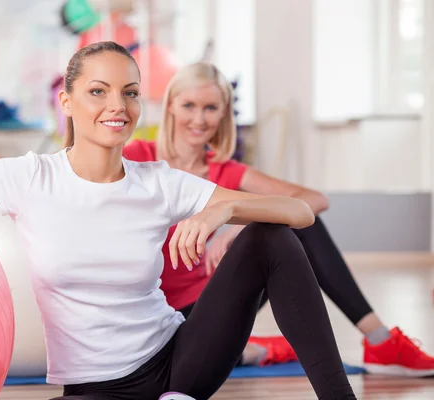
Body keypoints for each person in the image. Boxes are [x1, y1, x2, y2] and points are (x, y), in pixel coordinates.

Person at [0, 42, 356, 400]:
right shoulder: (28, 177)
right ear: (67, 102)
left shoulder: (158, 181)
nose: (118, 105)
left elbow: (301, 213)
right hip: (95, 386)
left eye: (130, 92)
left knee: (268, 236)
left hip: (181, 360)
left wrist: (224, 208)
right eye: (98, 91)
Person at [123, 62, 434, 377]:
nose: (199, 119)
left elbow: (314, 200)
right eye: (189, 105)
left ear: (224, 113)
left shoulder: (227, 171)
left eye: (210, 108)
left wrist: (233, 224)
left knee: (297, 225)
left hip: (211, 303)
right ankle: (253, 350)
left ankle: (380, 340)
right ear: (171, 105)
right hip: (157, 312)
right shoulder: (136, 158)